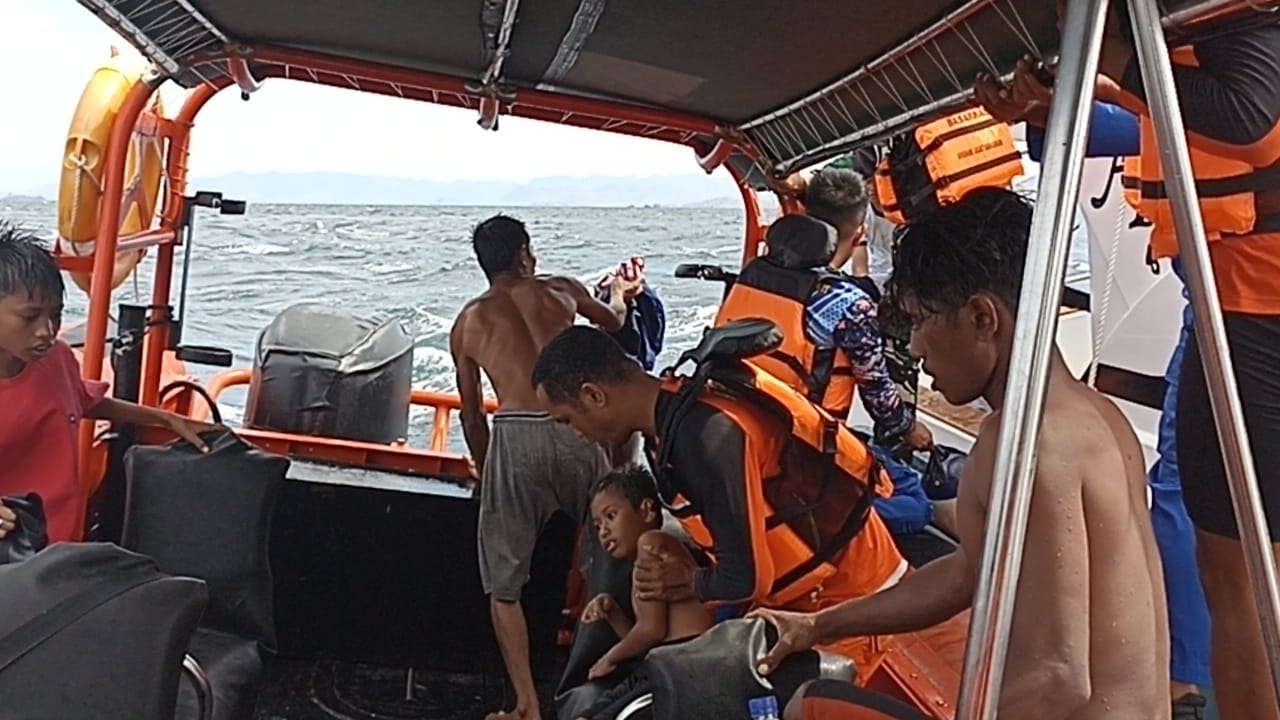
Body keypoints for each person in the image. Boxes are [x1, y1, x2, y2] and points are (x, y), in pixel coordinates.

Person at [750, 189, 1170, 719]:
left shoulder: (1027, 445)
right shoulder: (1097, 415)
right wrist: (818, 625)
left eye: (920, 321)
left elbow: (1059, 676)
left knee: (808, 708)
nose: (915, 347)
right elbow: (970, 570)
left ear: (981, 318)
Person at [982, 4, 1280, 714]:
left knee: (1240, 565)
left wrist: (1113, 56)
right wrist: (1051, 108)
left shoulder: (1233, 20)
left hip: (1257, 317)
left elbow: (1248, 116)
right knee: (1229, 557)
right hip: (1223, 310)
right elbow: (1149, 121)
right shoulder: (1191, 39)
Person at [978, 85, 1212, 717]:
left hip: (1230, 315)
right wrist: (1048, 110)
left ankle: (1185, 684)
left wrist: (1053, 105)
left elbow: (1116, 125)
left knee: (1179, 495)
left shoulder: (1223, 95)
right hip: (1219, 304)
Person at [530, 325, 909, 672]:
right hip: (801, 597)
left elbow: (745, 579)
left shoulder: (703, 438)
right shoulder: (669, 417)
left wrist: (687, 582)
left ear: (594, 395)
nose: (575, 434)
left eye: (566, 420)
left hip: (852, 598)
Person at [449, 213, 642, 720]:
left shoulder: (468, 322)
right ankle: (602, 683)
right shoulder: (561, 290)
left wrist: (488, 471)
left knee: (504, 586)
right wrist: (621, 292)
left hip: (513, 435)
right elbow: (614, 322)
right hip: (572, 420)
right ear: (524, 254)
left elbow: (471, 415)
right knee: (607, 559)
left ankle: (526, 705)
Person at [718, 213, 944, 534]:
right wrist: (907, 428)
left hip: (743, 427)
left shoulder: (747, 279)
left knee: (869, 449)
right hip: (804, 446)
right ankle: (824, 511)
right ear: (857, 235)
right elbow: (877, 393)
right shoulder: (847, 303)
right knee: (915, 504)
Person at [0, 223, 212, 545]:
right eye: (29, 317)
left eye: (55, 316)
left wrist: (167, 419)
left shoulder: (57, 358)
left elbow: (83, 401)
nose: (47, 331)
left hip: (58, 547)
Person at [573, 467, 712, 720]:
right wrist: (613, 612)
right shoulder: (639, 560)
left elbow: (651, 631)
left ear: (647, 510)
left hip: (684, 664)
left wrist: (608, 659)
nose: (603, 531)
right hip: (662, 662)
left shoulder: (652, 543)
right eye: (597, 525)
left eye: (611, 516)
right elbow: (643, 641)